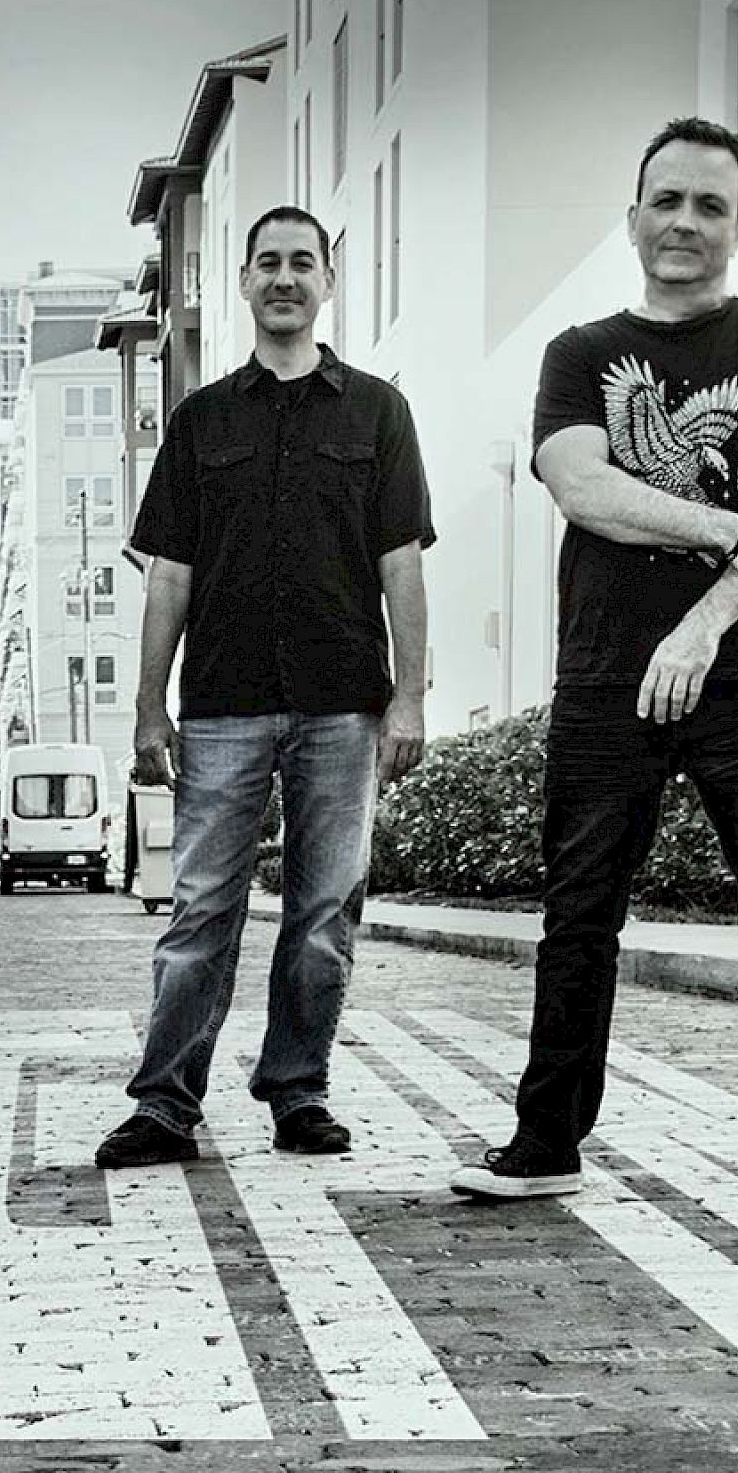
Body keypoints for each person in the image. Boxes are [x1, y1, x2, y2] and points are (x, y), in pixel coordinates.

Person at [95, 205, 433, 1169]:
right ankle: (165, 1104)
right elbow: (169, 573)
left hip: (342, 703)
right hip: (224, 705)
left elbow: (401, 565)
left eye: (302, 263)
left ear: (328, 281)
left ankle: (298, 1090)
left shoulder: (379, 412)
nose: (285, 279)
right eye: (267, 264)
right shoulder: (204, 419)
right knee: (203, 908)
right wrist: (148, 703)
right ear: (242, 283)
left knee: (326, 911)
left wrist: (410, 696)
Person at [453, 117, 738, 1199]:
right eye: (668, 199)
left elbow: (627, 499)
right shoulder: (580, 353)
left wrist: (704, 622)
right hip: (604, 672)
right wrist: (725, 528)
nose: (686, 221)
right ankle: (547, 1144)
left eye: (711, 204)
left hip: (732, 669)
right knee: (579, 915)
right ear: (633, 219)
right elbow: (583, 487)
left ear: (735, 225)